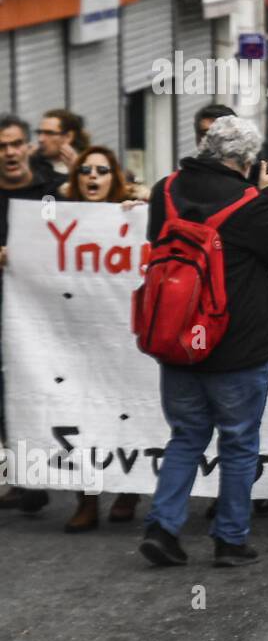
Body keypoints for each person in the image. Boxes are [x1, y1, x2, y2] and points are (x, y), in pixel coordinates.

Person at [139, 116, 268, 569]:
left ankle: (163, 527)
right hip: (237, 346)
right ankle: (229, 539)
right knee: (237, 443)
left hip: (176, 339)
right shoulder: (250, 203)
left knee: (186, 437)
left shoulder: (165, 190)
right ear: (246, 160)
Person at [56, 147, 148, 532]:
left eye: (102, 170)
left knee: (126, 412)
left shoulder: (133, 215)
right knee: (81, 416)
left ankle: (128, 490)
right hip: (78, 340)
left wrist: (142, 201)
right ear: (75, 178)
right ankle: (87, 498)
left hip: (125, 339)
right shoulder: (56, 221)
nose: (93, 177)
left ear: (115, 178)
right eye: (86, 171)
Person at [0, 116, 64, 512]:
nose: (9, 153)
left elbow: (97, 221)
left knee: (41, 391)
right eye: (1, 146)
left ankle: (40, 472)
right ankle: (24, 477)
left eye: (16, 144)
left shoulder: (54, 191)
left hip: (46, 314)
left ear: (28, 147)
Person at [32, 109, 88, 179]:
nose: (40, 139)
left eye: (49, 133)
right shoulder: (32, 164)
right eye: (39, 132)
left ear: (68, 137)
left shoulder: (89, 166)